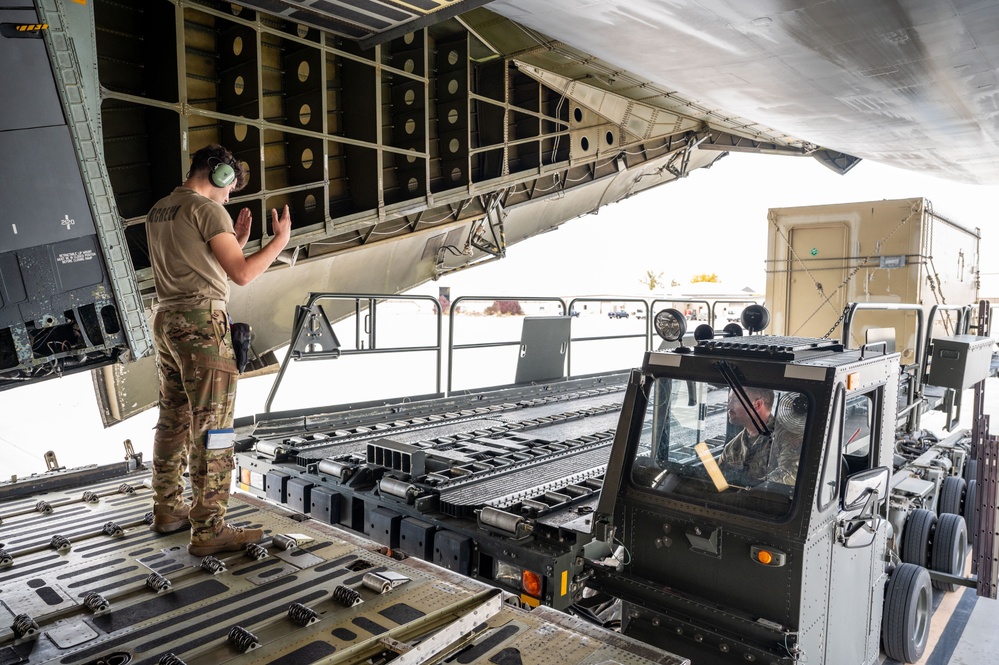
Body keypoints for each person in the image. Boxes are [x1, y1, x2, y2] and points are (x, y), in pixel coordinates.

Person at [146, 144, 291, 556]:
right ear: (219, 175)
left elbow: (192, 258)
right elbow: (242, 274)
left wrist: (233, 240)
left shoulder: (160, 209)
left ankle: (167, 509)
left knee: (173, 418)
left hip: (167, 322)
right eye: (229, 188)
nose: (229, 198)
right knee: (215, 428)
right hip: (201, 326)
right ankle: (209, 529)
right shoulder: (208, 210)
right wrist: (279, 242)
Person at [717, 388, 800, 487]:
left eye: (735, 400)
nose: (729, 406)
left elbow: (789, 476)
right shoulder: (732, 447)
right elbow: (719, 482)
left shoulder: (788, 438)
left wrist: (748, 492)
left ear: (757, 404)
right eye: (729, 400)